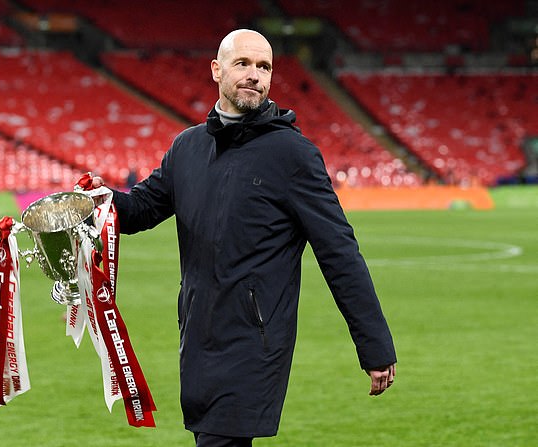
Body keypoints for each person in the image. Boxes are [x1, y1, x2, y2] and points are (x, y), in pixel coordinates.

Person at [91, 29, 396, 446]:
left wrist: (374, 345)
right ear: (217, 70)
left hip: (254, 341)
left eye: (264, 67)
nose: (254, 75)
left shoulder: (292, 154)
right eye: (243, 64)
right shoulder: (187, 148)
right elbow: (140, 210)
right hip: (197, 334)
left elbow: (339, 251)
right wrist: (91, 202)